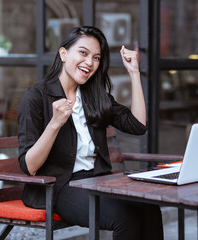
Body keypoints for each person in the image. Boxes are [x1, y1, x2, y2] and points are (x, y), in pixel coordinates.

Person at [17, 26, 164, 240]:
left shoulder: (94, 96)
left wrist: (134, 73)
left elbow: (138, 125)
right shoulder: (36, 97)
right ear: (64, 54)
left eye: (96, 58)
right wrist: (55, 124)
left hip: (97, 181)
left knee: (149, 208)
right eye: (83, 53)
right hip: (60, 187)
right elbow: (29, 166)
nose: (89, 62)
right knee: (124, 218)